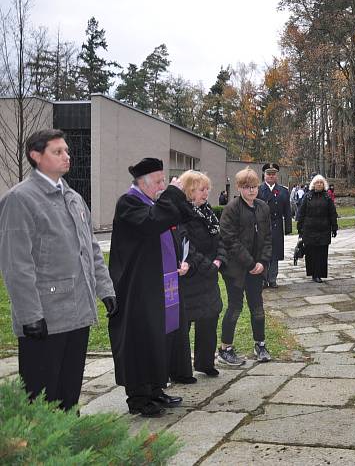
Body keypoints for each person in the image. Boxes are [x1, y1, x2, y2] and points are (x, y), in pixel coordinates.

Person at [0, 129, 116, 411]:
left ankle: (69, 447)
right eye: (58, 151)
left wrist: (106, 290)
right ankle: (42, 454)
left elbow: (90, 250)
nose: (67, 156)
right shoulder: (20, 199)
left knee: (69, 393)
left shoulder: (74, 198)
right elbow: (17, 264)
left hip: (78, 313)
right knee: (42, 399)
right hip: (45, 317)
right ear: (36, 156)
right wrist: (30, 315)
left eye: (66, 151)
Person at [108, 157, 190, 418]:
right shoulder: (129, 202)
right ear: (141, 183)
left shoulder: (154, 202)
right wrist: (172, 194)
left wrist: (177, 196)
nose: (162, 185)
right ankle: (139, 398)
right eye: (158, 181)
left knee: (159, 336)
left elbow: (181, 216)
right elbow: (151, 223)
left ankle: (156, 388)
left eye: (164, 180)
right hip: (137, 287)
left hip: (160, 282)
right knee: (141, 339)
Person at [218, 167, 273, 365]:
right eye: (247, 187)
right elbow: (229, 240)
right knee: (234, 307)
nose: (251, 191)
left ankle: (260, 344)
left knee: (257, 307)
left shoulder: (262, 207)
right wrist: (250, 263)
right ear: (239, 188)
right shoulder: (231, 208)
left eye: (254, 187)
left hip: (257, 267)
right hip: (235, 268)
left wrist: (263, 262)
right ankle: (225, 348)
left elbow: (267, 237)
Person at [173, 170, 225, 377]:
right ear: (189, 190)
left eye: (207, 189)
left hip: (209, 274)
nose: (206, 193)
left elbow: (219, 239)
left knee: (209, 319)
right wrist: (207, 265)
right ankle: (180, 369)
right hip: (191, 277)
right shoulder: (181, 214)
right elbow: (186, 246)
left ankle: (205, 362)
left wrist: (219, 260)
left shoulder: (208, 212)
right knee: (183, 325)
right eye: (202, 190)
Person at [297, 174, 337, 283]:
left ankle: (319, 274)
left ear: (324, 184)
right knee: (311, 253)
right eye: (317, 183)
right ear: (313, 184)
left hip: (324, 229)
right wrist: (300, 228)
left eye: (321, 182)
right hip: (309, 229)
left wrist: (334, 227)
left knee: (322, 253)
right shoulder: (307, 196)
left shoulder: (327, 197)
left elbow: (332, 213)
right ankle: (313, 273)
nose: (319, 184)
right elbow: (301, 212)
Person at [257, 163, 292, 288]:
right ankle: (263, 279)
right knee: (263, 252)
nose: (271, 176)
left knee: (275, 254)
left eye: (273, 174)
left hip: (277, 225)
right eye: (268, 174)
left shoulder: (283, 191)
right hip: (262, 226)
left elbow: (287, 210)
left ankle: (272, 279)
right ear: (264, 175)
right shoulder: (258, 190)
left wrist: (288, 228)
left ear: (276, 175)